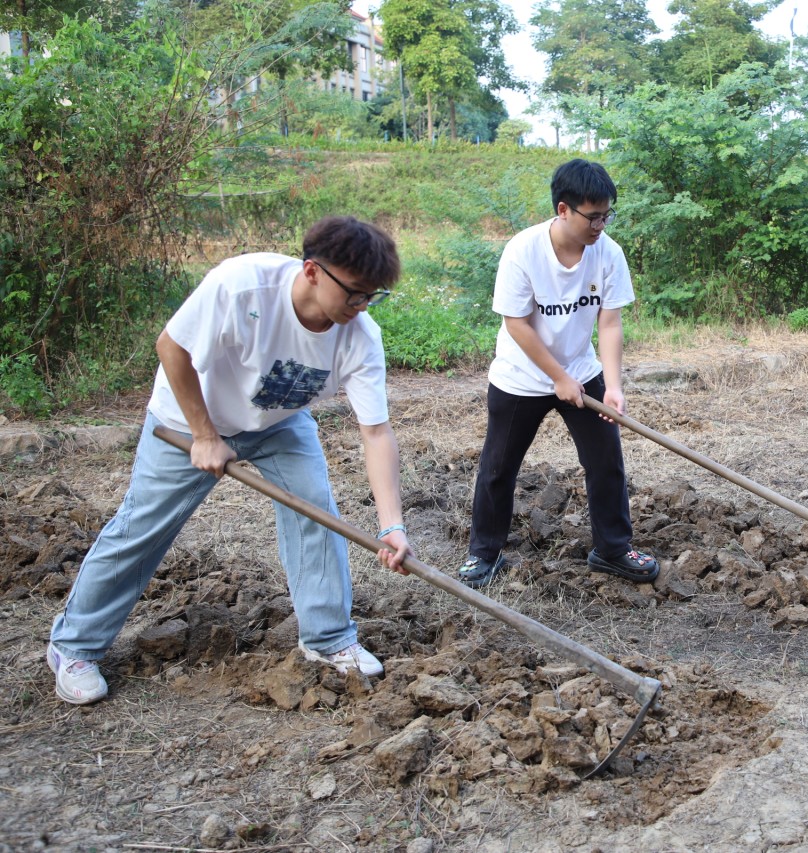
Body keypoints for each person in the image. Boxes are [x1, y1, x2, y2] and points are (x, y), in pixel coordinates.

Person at [47, 216, 414, 705]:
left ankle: (328, 639)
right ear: (312, 271)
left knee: (316, 512)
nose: (362, 306)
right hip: (188, 416)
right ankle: (74, 647)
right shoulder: (243, 286)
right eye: (354, 293)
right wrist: (204, 435)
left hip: (278, 422)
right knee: (143, 527)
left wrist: (392, 525)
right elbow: (171, 347)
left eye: (372, 296)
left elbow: (376, 432)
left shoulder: (360, 336)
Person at [457, 159, 658, 589]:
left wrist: (613, 386)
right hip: (520, 376)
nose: (600, 225)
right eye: (593, 216)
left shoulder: (608, 253)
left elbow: (609, 322)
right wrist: (558, 378)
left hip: (582, 371)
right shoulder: (523, 250)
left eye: (607, 215)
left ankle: (612, 549)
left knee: (606, 462)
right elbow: (517, 324)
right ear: (563, 209)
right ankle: (484, 554)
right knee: (498, 467)